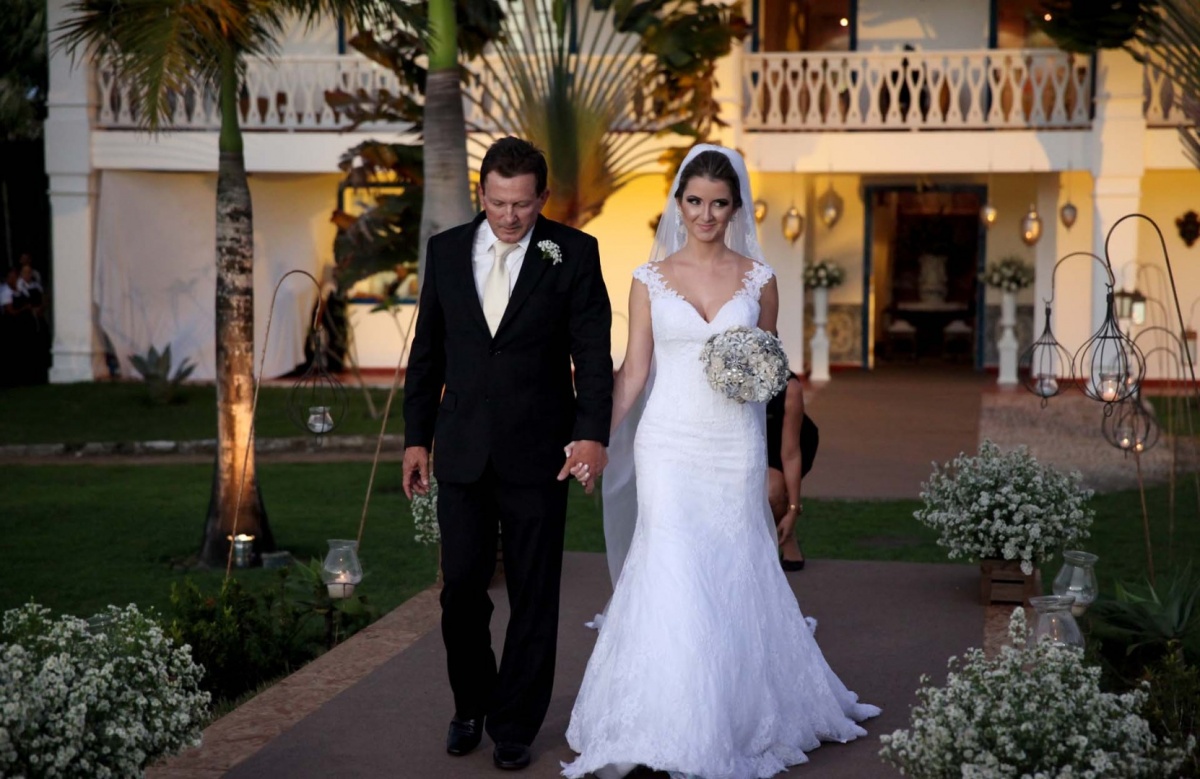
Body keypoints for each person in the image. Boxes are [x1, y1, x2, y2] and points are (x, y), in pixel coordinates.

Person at [563, 145, 878, 779]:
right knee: (672, 565)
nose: (706, 214)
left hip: (733, 445)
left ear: (736, 208)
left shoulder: (760, 279)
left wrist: (781, 471)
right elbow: (634, 373)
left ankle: (733, 715)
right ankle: (668, 721)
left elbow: (771, 374)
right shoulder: (649, 280)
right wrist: (588, 436)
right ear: (679, 204)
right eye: (695, 202)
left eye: (719, 203)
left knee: (731, 568)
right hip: (669, 443)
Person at [402, 137, 613, 772]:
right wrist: (417, 438)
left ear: (542, 198)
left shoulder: (573, 253)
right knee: (461, 590)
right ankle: (471, 705)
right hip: (462, 452)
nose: (509, 216)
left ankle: (516, 723)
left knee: (534, 594)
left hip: (539, 453)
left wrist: (592, 435)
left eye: (522, 204)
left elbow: (593, 356)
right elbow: (427, 355)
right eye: (497, 202)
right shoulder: (443, 253)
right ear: (482, 194)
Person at [766, 372, 810, 571]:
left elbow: (791, 453)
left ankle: (786, 532)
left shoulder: (789, 386)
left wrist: (793, 509)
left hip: (776, 446)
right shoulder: (725, 372)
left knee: (772, 492)